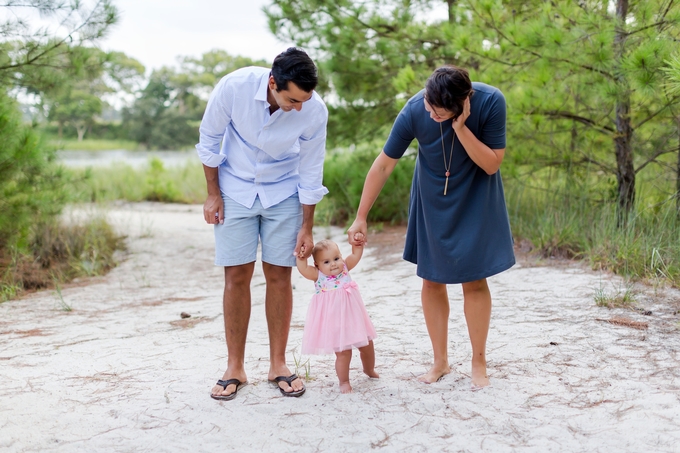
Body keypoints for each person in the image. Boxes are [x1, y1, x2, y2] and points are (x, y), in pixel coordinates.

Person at [347, 65, 515, 390]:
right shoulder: (415, 108)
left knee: (474, 280)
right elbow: (384, 164)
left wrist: (461, 127)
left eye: (440, 113)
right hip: (431, 197)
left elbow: (492, 163)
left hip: (476, 193)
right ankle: (440, 360)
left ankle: (478, 362)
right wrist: (361, 215)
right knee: (431, 279)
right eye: (430, 107)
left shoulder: (492, 101)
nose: (431, 113)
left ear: (465, 101)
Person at [196, 47, 329, 400]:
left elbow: (312, 170)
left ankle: (278, 364)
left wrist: (307, 226)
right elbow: (209, 140)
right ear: (273, 82)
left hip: (284, 192)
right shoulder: (234, 87)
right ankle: (234, 367)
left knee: (279, 275)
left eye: (305, 99)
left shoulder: (313, 111)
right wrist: (213, 194)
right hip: (235, 188)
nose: (299, 107)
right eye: (293, 99)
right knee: (236, 275)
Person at [296, 238, 378, 393]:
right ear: (317, 265)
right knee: (343, 353)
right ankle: (344, 382)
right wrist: (301, 256)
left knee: (367, 345)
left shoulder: (345, 268)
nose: (333, 264)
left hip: (354, 319)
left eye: (336, 258)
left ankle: (369, 369)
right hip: (335, 323)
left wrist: (357, 244)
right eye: (326, 262)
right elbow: (303, 269)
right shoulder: (318, 275)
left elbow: (356, 255)